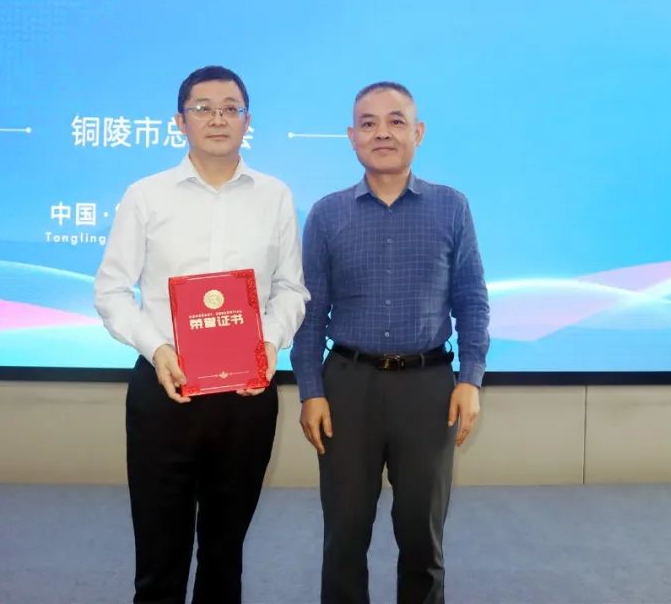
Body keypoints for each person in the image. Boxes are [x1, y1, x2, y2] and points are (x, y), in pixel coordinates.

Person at [94, 65, 309, 604]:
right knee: (158, 558)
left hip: (247, 395)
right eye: (203, 108)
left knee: (224, 554)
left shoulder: (274, 196)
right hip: (166, 390)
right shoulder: (146, 196)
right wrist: (157, 348)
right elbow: (112, 291)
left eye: (230, 108)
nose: (217, 118)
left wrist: (269, 341)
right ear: (179, 121)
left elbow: (291, 289)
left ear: (247, 121)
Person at [291, 81, 491, 604]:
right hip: (347, 388)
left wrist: (470, 379)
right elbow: (309, 314)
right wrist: (311, 391)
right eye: (369, 123)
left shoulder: (451, 207)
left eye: (396, 121)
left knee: (422, 540)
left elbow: (472, 300)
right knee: (343, 539)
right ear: (352, 136)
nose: (382, 132)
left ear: (417, 133)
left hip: (428, 390)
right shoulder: (327, 214)